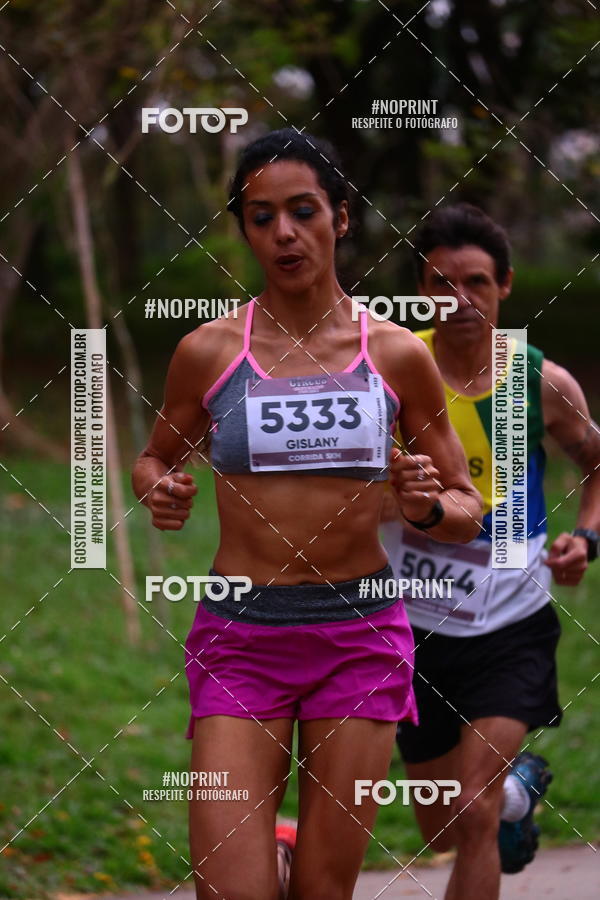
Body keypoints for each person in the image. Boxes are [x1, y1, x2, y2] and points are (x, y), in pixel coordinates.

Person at [132, 130, 482, 900]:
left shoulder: (394, 355)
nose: (284, 233)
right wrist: (158, 487)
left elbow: (465, 509)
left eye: (302, 210)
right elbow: (156, 456)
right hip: (241, 636)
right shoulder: (208, 349)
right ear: (245, 230)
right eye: (261, 217)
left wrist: (425, 508)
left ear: (341, 218)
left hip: (359, 638)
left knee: (326, 893)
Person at [381, 203, 600, 900]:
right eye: (441, 283)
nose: (459, 300)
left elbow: (596, 461)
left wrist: (587, 539)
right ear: (422, 290)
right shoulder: (390, 373)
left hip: (511, 626)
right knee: (442, 826)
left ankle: (495, 800)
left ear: (504, 285)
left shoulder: (540, 381)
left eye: (475, 282)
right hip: (414, 631)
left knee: (469, 812)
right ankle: (516, 796)